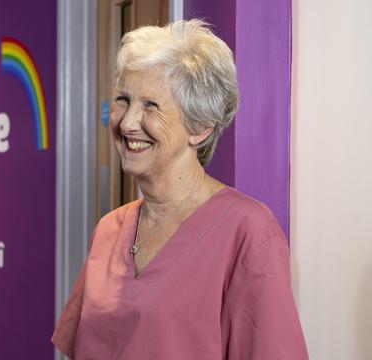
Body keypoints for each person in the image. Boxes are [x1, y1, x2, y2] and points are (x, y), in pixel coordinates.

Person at [52, 19, 308, 359]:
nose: (128, 123)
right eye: (123, 100)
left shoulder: (248, 232)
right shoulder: (109, 230)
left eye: (150, 106)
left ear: (200, 126)